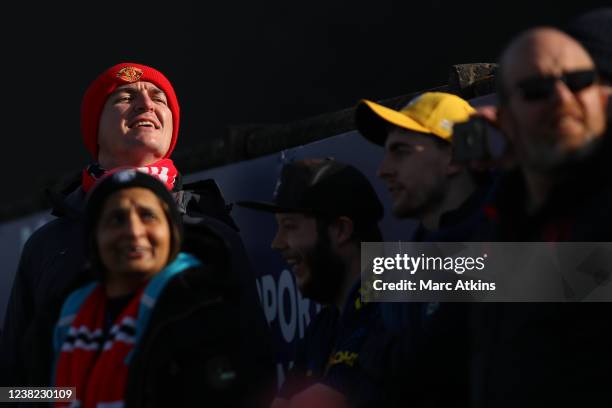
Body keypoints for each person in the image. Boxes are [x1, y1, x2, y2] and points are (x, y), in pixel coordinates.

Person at [0, 63, 275, 396]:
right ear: (94, 129)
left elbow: (254, 371)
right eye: (125, 97)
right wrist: (69, 398)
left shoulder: (213, 237)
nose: (146, 104)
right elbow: (13, 386)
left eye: (159, 98)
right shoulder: (46, 245)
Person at [469, 27, 612, 406]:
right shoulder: (503, 217)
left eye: (580, 82)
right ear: (506, 119)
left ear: (604, 98)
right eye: (536, 91)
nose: (563, 98)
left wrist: (389, 273)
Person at [51, 170, 255, 407]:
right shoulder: (68, 312)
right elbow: (51, 393)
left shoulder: (204, 305)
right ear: (94, 237)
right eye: (116, 219)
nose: (134, 232)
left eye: (148, 216)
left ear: (172, 229)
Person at [355, 92, 486, 407]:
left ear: (454, 157)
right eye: (386, 153)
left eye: (401, 152)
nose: (382, 170)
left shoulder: (522, 242)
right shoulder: (396, 272)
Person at [237, 158, 385, 408]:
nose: (277, 243)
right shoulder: (325, 324)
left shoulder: (389, 307)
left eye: (290, 227)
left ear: (340, 230)